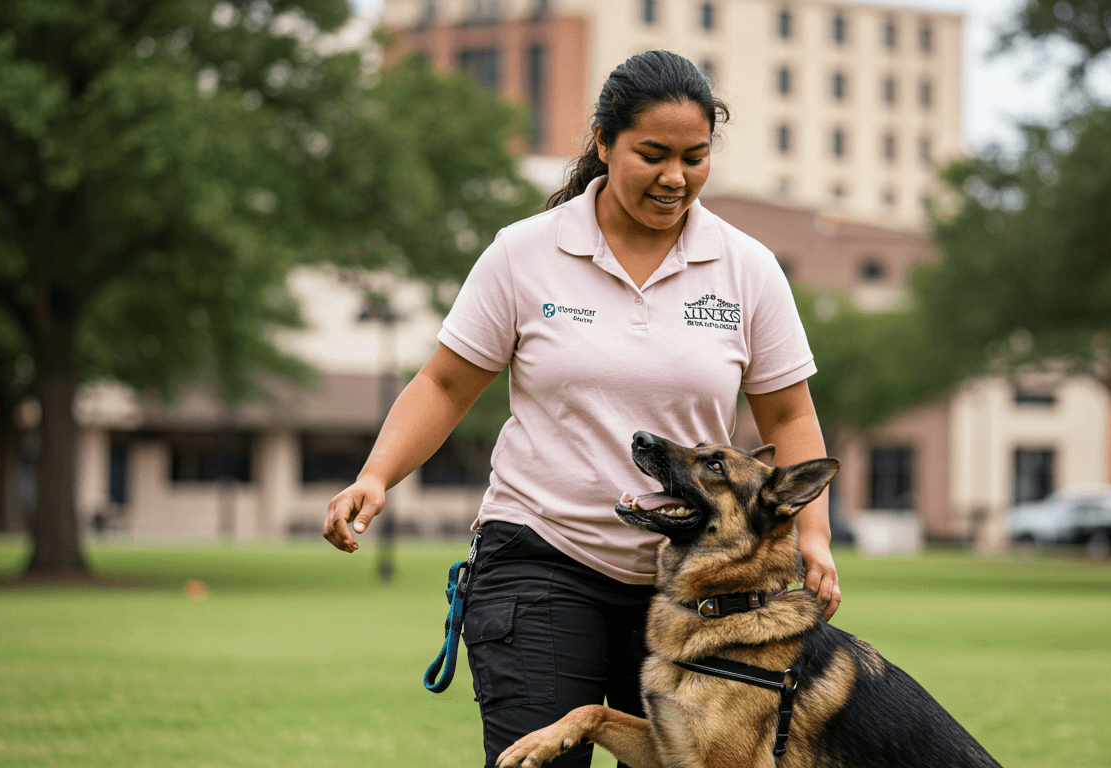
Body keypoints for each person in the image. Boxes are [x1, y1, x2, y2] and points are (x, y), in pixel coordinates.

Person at [323, 50, 839, 768]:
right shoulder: (524, 254)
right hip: (540, 560)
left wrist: (813, 535)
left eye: (695, 157)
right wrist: (376, 477)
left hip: (693, 597)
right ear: (603, 141)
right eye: (652, 154)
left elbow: (787, 416)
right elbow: (443, 385)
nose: (675, 177)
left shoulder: (746, 267)